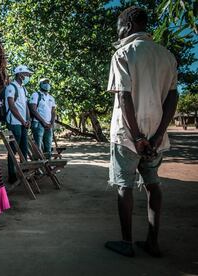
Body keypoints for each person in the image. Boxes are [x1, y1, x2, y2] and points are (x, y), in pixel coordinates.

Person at [105, 6, 178, 258]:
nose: (118, 31)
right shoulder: (166, 55)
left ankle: (127, 243)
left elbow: (124, 97)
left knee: (124, 186)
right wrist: (157, 135)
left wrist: (136, 137)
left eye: (119, 26)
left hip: (128, 135)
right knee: (152, 184)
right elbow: (172, 96)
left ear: (128, 25)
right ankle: (152, 243)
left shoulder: (123, 54)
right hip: (156, 135)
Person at [6, 65, 32, 183]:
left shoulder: (23, 89)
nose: (28, 76)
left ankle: (25, 172)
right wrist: (22, 120)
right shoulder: (11, 88)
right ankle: (12, 175)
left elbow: (25, 105)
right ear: (20, 74)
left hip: (23, 123)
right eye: (26, 74)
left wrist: (28, 119)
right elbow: (12, 106)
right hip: (15, 123)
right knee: (13, 149)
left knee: (24, 148)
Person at [29, 78, 57, 158]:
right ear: (40, 84)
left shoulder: (51, 98)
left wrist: (51, 123)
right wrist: (43, 122)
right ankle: (37, 166)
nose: (47, 84)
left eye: (48, 83)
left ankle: (47, 166)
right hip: (38, 124)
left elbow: (53, 111)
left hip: (48, 125)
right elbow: (33, 110)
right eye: (44, 82)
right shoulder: (35, 95)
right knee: (38, 146)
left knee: (48, 146)